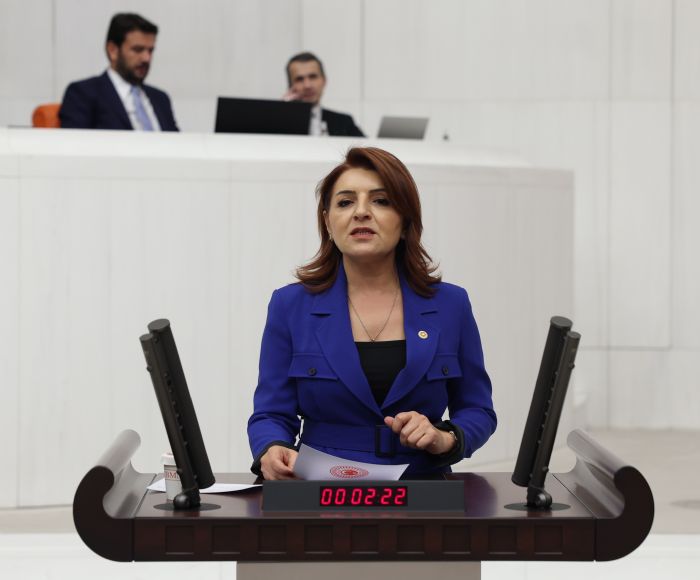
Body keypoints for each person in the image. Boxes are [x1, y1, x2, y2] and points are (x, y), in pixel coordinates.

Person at [247, 147, 496, 479]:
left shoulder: (451, 304)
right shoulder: (290, 305)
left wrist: (444, 438)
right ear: (328, 222)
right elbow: (270, 413)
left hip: (421, 486)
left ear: (405, 222)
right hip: (321, 488)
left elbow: (478, 410)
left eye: (381, 201)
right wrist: (271, 447)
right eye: (345, 202)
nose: (361, 212)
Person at [59, 13, 178, 131]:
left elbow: (178, 141)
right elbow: (74, 141)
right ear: (113, 50)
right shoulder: (83, 94)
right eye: (138, 50)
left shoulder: (161, 99)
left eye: (150, 51)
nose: (146, 58)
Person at [284, 52, 364, 137]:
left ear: (324, 81)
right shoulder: (281, 122)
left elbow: (366, 144)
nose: (307, 85)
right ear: (290, 86)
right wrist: (283, 112)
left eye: (313, 77)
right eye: (299, 79)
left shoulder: (343, 122)